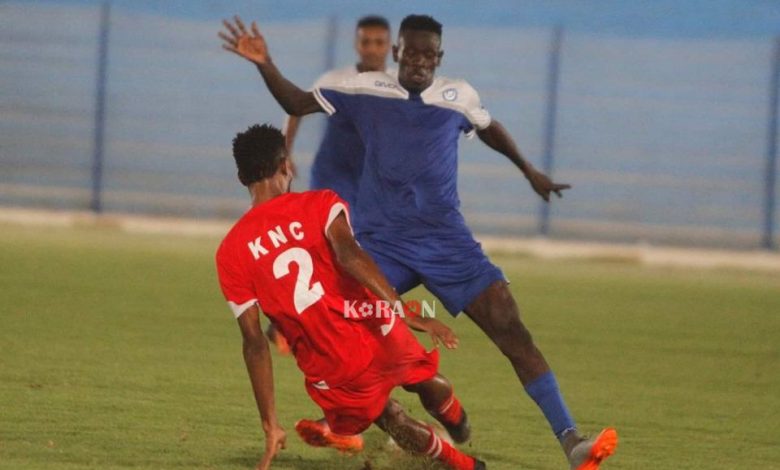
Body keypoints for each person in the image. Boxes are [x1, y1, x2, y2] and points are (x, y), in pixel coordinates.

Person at [219, 15, 618, 470]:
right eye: (412, 53)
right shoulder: (364, 90)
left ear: (439, 57)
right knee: (330, 317)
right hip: (382, 246)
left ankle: (572, 441)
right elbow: (294, 99)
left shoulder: (458, 96)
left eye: (430, 54)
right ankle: (346, 422)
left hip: (448, 245)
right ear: (397, 54)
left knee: (511, 329)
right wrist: (265, 62)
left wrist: (529, 171)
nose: (421, 62)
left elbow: (489, 127)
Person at [215, 124, 486, 470]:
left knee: (391, 417)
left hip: (332, 359)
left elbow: (254, 343)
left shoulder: (231, 252)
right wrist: (404, 311)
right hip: (374, 322)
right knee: (421, 376)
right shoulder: (320, 203)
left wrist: (271, 425)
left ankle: (466, 466)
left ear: (241, 178)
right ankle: (456, 418)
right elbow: (349, 254)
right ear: (286, 165)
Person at [267, 15, 393, 356]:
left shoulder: (397, 86)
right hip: (332, 175)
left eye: (379, 42)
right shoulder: (336, 80)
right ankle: (283, 322)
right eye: (366, 41)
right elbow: (296, 109)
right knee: (321, 247)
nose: (372, 49)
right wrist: (286, 151)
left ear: (390, 46)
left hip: (369, 184)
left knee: (357, 253)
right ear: (357, 43)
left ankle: (343, 320)